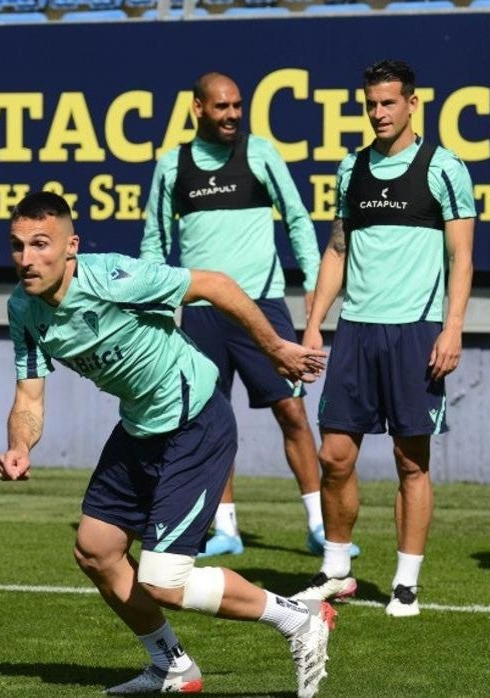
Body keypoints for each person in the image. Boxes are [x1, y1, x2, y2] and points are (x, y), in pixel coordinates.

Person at [0, 191, 336, 697]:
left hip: (195, 419)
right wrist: (20, 445)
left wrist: (276, 349)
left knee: (165, 580)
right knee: (95, 550)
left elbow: (215, 285)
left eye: (40, 244)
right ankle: (172, 666)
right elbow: (28, 396)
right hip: (139, 428)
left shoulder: (112, 278)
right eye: (18, 246)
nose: (27, 259)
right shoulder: (22, 310)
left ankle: (299, 618)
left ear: (71, 247)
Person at [141, 72, 355, 560]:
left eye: (238, 105)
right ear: (198, 108)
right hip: (200, 313)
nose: (232, 114)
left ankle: (319, 525)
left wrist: (309, 292)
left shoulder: (260, 154)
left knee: (293, 411)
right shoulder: (172, 167)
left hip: (263, 305)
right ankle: (226, 529)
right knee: (208, 420)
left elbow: (299, 218)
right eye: (222, 107)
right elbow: (154, 242)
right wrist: (157, 304)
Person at [294, 60, 475, 618]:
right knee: (334, 455)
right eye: (371, 103)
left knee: (410, 461)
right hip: (355, 334)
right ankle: (336, 569)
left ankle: (405, 583)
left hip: (416, 332)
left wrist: (452, 327)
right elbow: (337, 250)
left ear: (413, 103)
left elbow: (461, 255)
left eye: (389, 103)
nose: (378, 113)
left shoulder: (445, 168)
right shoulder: (351, 169)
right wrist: (314, 322)